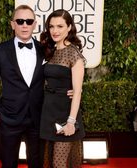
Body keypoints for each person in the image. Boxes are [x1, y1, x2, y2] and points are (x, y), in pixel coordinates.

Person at [0, 5, 45, 168]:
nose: (24, 25)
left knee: (37, 163)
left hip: (37, 118)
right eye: (20, 21)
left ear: (34, 24)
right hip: (9, 118)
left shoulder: (44, 49)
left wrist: (71, 88)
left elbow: (55, 76)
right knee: (9, 164)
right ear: (12, 24)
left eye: (28, 21)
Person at [40, 9, 86, 168]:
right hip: (48, 112)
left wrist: (71, 122)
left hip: (65, 113)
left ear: (69, 27)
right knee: (49, 161)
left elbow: (77, 91)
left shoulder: (74, 55)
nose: (55, 31)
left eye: (60, 26)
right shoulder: (49, 50)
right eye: (51, 27)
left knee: (59, 163)